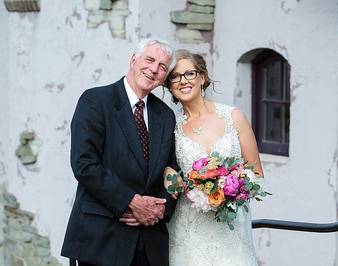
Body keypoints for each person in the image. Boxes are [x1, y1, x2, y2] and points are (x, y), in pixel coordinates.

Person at [61, 37, 179, 266]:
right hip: (102, 239)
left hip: (150, 241)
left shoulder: (165, 115)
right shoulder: (95, 100)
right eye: (150, 59)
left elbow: (172, 168)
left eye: (162, 66)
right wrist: (131, 201)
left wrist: (159, 211)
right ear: (134, 59)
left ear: (164, 77)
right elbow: (84, 165)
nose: (154, 69)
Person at [164, 49, 263, 265]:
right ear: (169, 85)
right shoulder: (169, 126)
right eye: (175, 76)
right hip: (189, 229)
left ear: (202, 77)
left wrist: (231, 189)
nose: (183, 81)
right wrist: (172, 179)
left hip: (231, 229)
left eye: (189, 73)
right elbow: (167, 174)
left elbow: (255, 172)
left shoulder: (234, 116)